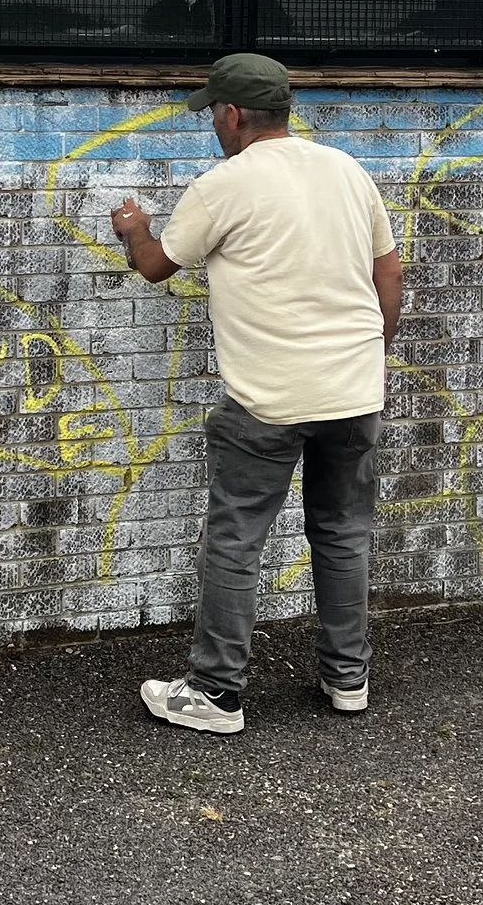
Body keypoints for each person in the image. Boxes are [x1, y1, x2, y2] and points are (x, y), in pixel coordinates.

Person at [108, 53, 403, 736]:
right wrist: (369, 352)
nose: (214, 123)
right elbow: (388, 272)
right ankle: (346, 676)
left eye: (214, 111)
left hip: (270, 397)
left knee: (237, 539)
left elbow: (155, 266)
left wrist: (133, 228)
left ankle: (215, 692)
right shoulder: (348, 171)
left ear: (233, 114)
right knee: (342, 532)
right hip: (355, 390)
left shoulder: (226, 184)